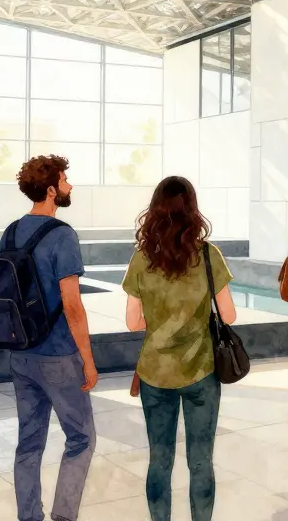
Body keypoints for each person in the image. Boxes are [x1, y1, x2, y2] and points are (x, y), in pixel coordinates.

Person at [123, 176, 238, 521]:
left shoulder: (142, 257)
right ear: (192, 209)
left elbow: (132, 322)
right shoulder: (207, 254)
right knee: (201, 460)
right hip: (201, 372)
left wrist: (161, 322)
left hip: (154, 373)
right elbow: (229, 314)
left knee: (159, 460)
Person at [3, 155, 96, 521]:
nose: (71, 185)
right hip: (58, 355)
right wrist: (87, 358)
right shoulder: (62, 235)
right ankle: (63, 517)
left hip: (21, 355)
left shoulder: (10, 232)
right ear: (53, 189)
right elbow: (72, 305)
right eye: (66, 179)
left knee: (29, 442)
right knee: (81, 439)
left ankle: (29, 517)